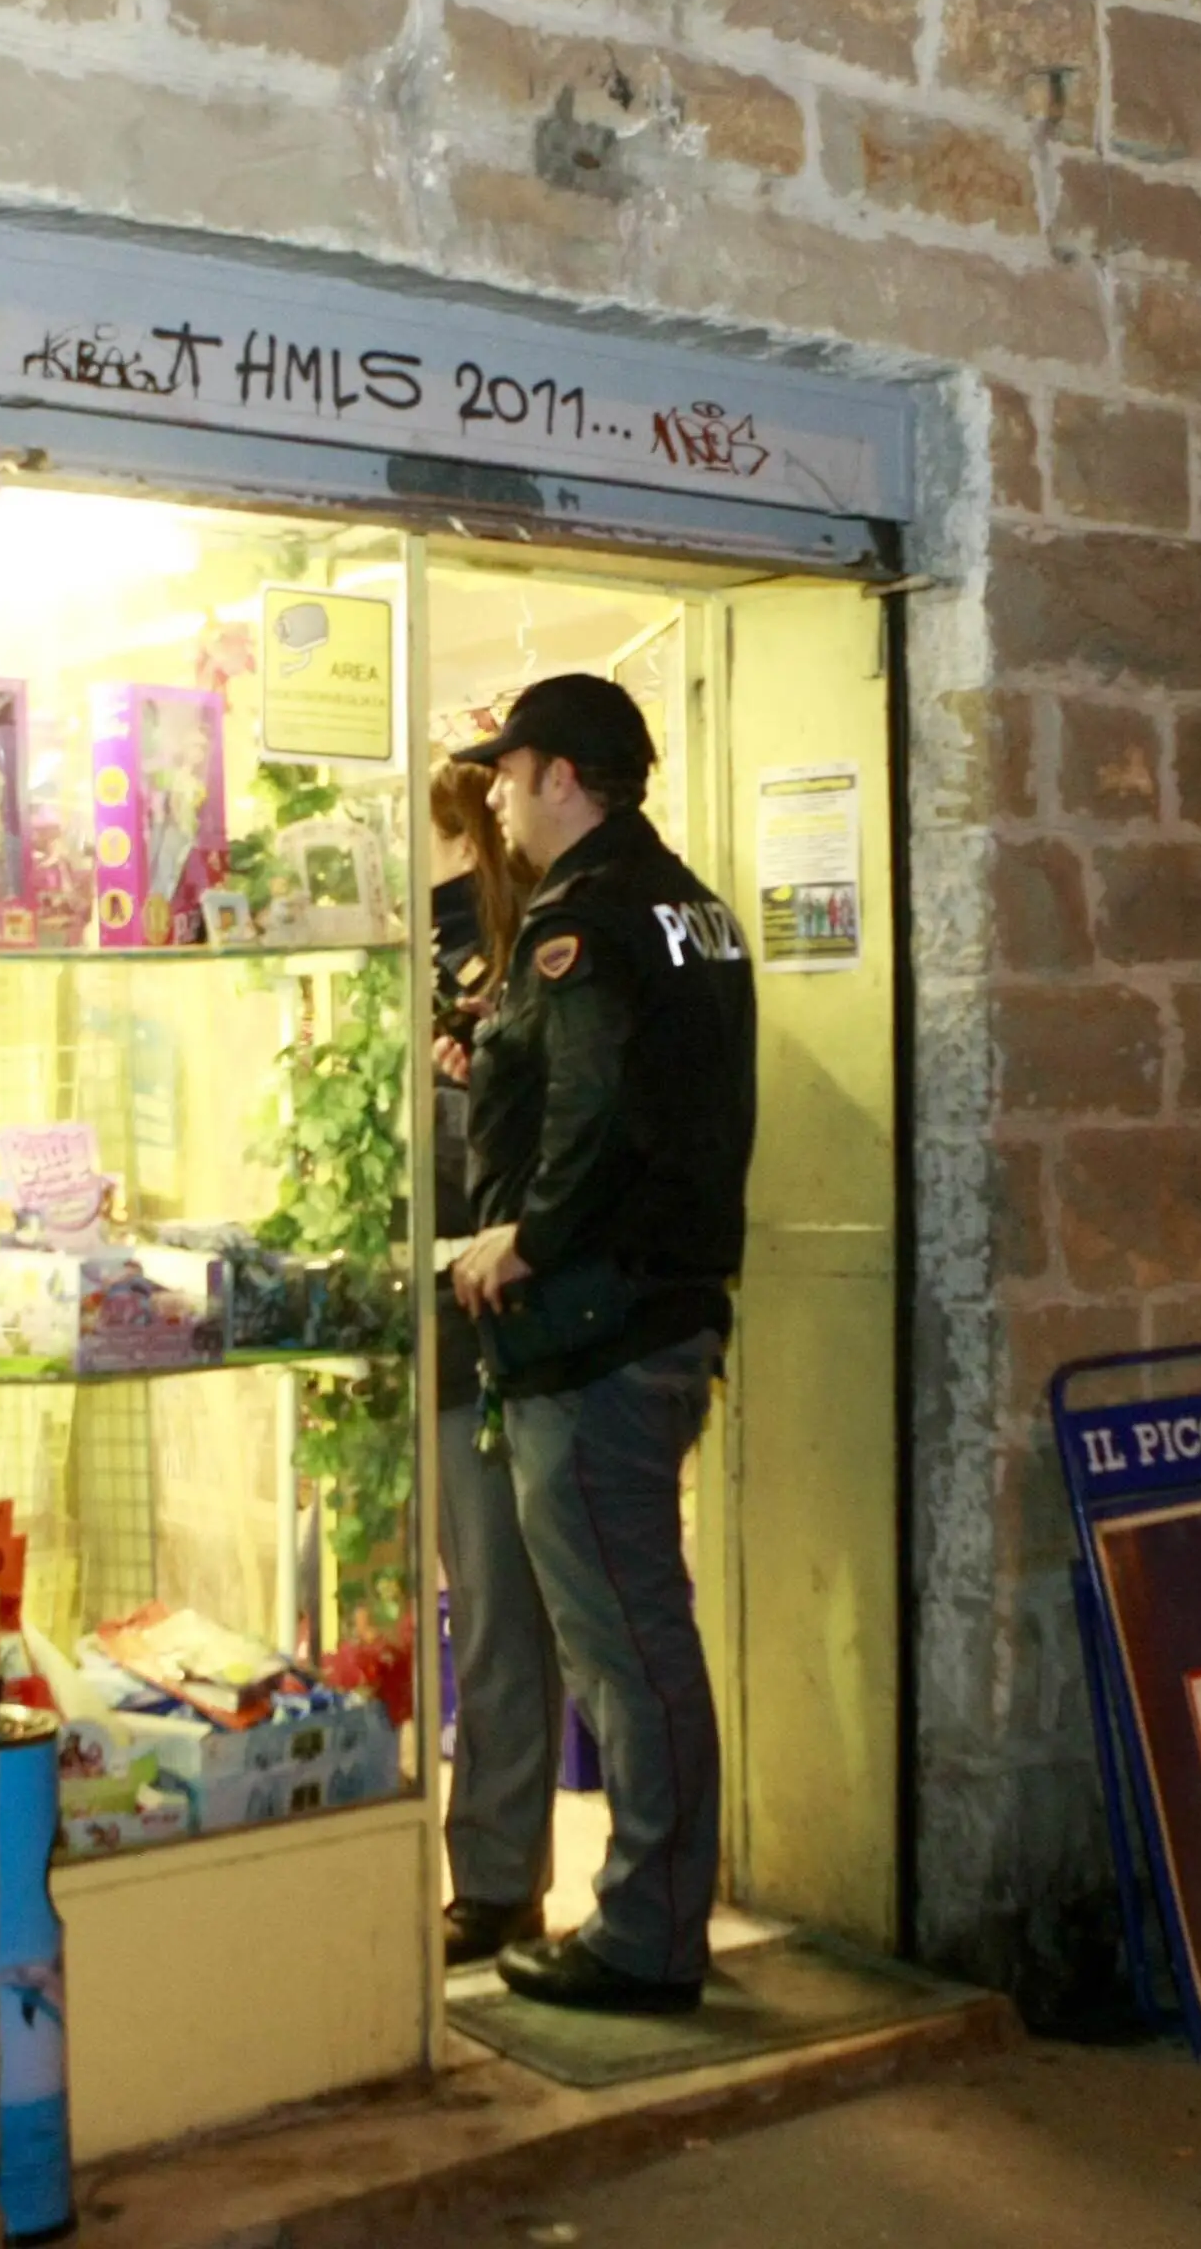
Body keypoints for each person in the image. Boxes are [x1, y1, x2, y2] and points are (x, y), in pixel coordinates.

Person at [447, 673, 757, 2016]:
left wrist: (525, 1241)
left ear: (561, 775)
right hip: (662, 1313)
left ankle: (644, 1934)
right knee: (642, 1636)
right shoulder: (686, 903)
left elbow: (602, 1110)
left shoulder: (584, 921)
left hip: (600, 1329)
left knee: (627, 1649)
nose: (502, 803)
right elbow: (620, 1079)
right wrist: (490, 1060)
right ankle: (658, 1911)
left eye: (509, 778)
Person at [424, 764, 560, 1971]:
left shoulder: (516, 980)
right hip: (440, 1338)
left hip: (488, 1340)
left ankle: (501, 1879)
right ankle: (496, 1872)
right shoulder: (467, 968)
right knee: (489, 1620)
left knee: (502, 1622)